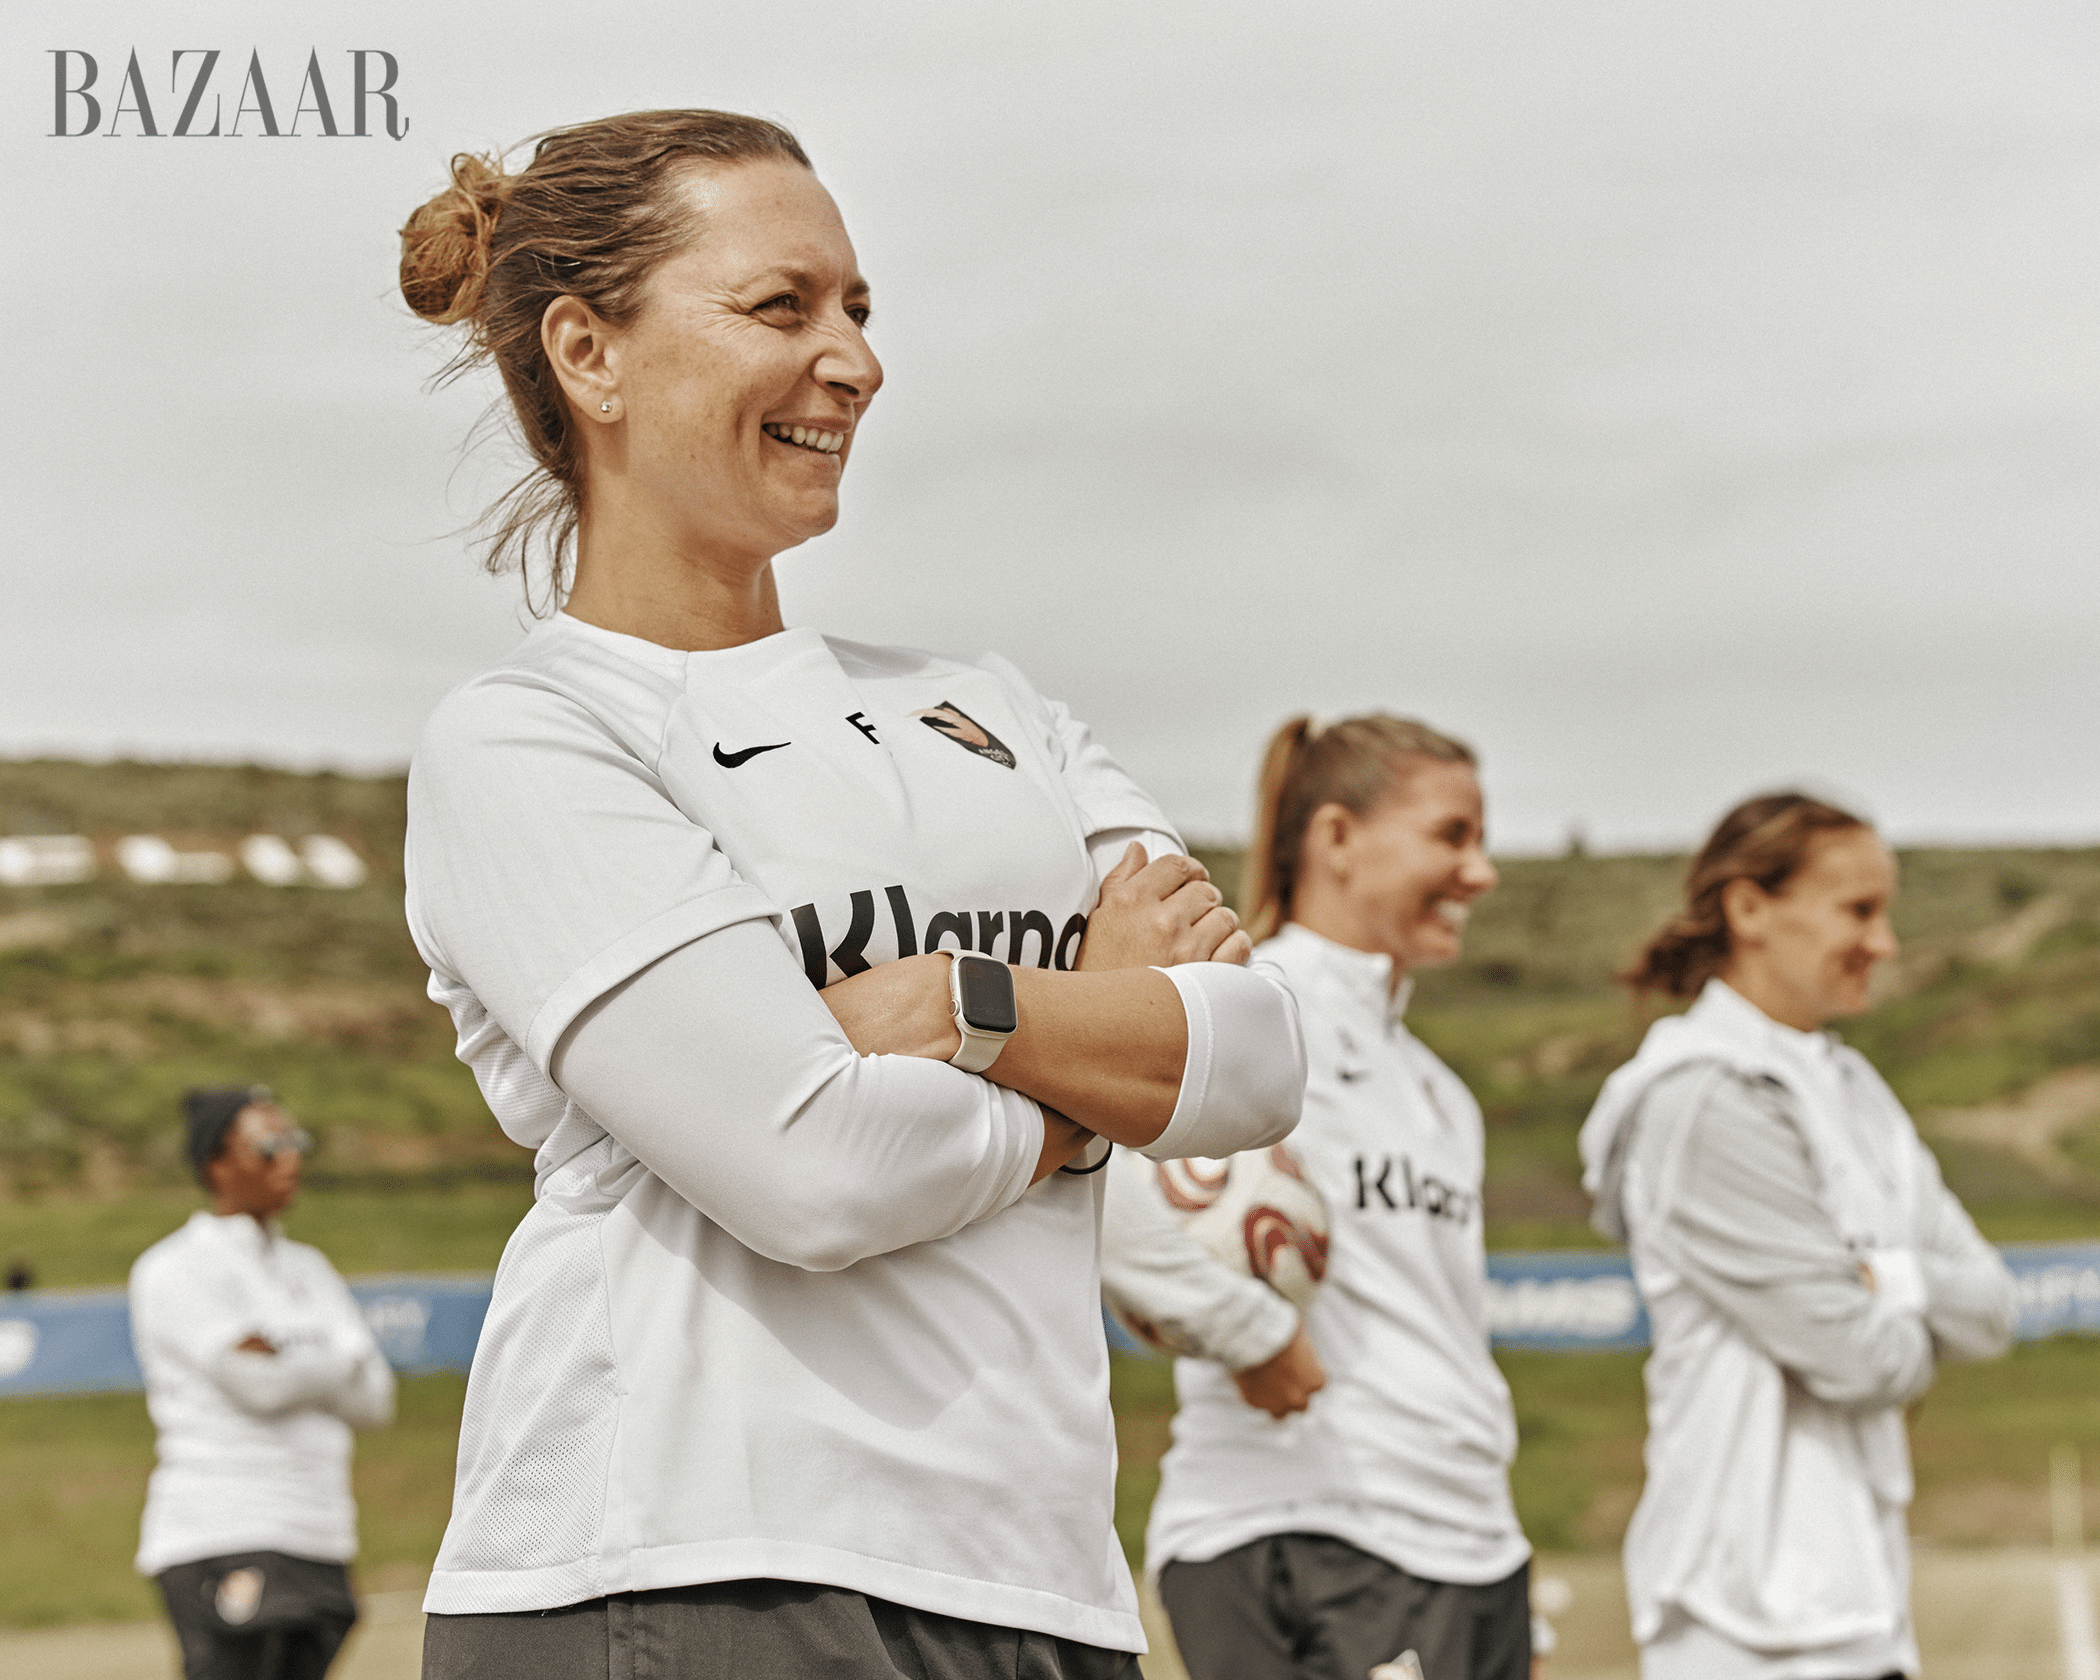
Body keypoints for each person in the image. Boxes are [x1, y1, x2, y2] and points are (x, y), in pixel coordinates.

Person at [395, 110, 1306, 1678]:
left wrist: (962, 1009)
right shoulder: (534, 735)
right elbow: (814, 1169)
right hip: (690, 1566)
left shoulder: (993, 705)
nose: (854, 361)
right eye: (782, 306)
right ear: (588, 353)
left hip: (1040, 1581)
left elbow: (1257, 1057)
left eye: (861, 310)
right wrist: (1098, 1074)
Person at [1100, 714, 1535, 1680]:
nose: (1482, 873)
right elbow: (1104, 1194)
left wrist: (1510, 1601)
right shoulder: (1250, 1005)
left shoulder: (1438, 1092)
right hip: (1311, 1531)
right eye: (1453, 836)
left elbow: (1442, 1336)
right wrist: (1249, 1334)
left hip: (1467, 1553)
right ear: (1337, 838)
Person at [1579, 792, 2016, 1680]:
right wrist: (1907, 1306)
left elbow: (1996, 1309)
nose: (1884, 943)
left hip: (1863, 1605)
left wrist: (1881, 1276)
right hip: (1741, 1625)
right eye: (1859, 910)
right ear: (1749, 909)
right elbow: (1869, 1362)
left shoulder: (1855, 1089)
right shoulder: (1698, 1098)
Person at [130, 1086, 396, 1680]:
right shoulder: (175, 1267)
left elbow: (376, 1398)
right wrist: (332, 1363)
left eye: (294, 1143)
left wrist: (284, 1358)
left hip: (321, 1534)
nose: (290, 1160)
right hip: (223, 1527)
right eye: (268, 1147)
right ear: (215, 1165)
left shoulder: (310, 1267)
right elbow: (261, 1388)